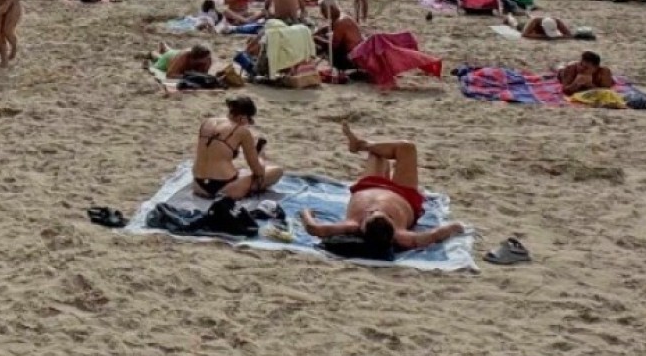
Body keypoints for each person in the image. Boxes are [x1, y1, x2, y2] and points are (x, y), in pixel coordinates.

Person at [296, 123, 465, 257]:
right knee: (407, 148)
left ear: (363, 224)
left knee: (378, 154)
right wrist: (455, 226)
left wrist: (306, 213)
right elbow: (434, 235)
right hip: (404, 194)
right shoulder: (401, 235)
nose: (376, 210)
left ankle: (361, 145)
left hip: (369, 186)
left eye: (371, 213)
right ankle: (362, 145)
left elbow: (315, 229)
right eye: (387, 216)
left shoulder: (352, 225)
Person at [191, 96, 282, 200]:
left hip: (198, 185)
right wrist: (260, 157)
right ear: (242, 118)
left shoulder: (206, 123)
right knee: (277, 171)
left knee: (237, 170)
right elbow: (258, 171)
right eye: (249, 120)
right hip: (224, 187)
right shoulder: (242, 131)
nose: (248, 124)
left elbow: (214, 152)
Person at [317, 0, 363, 70]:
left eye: (323, 11)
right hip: (356, 52)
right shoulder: (341, 17)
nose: (322, 14)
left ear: (331, 9)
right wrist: (318, 32)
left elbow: (333, 46)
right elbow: (329, 27)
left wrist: (318, 39)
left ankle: (345, 69)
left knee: (326, 47)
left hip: (353, 57)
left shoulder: (340, 22)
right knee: (325, 37)